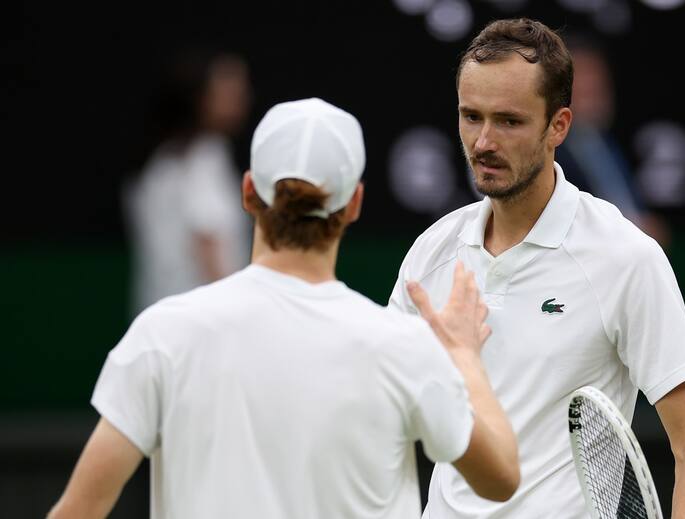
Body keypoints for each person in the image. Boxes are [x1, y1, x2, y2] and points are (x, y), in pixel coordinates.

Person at [48, 98, 519, 518]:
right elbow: (500, 478)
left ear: (249, 192)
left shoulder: (163, 334)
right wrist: (463, 359)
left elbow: (79, 509)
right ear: (354, 203)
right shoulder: (404, 347)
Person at [389, 19, 685, 518]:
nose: (483, 142)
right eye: (470, 117)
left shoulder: (625, 257)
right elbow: (380, 424)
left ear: (559, 126)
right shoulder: (429, 254)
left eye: (508, 121)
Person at [123, 51, 252, 315]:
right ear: (200, 98)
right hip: (201, 327)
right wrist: (238, 316)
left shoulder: (160, 161)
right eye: (228, 89)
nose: (241, 98)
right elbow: (208, 242)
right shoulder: (205, 158)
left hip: (160, 322)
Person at [555, 35, 669, 247]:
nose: (594, 87)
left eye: (599, 77)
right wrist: (632, 232)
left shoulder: (608, 145)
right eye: (585, 77)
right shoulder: (551, 154)